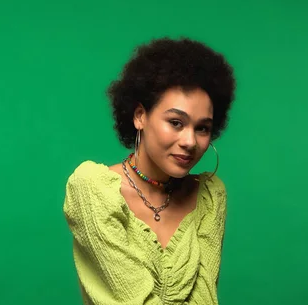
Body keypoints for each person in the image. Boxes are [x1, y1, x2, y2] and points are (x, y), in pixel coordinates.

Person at [63, 37, 236, 305]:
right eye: (176, 122)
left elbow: (205, 298)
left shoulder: (210, 196)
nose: (190, 141)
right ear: (140, 116)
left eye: (202, 128)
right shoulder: (93, 189)